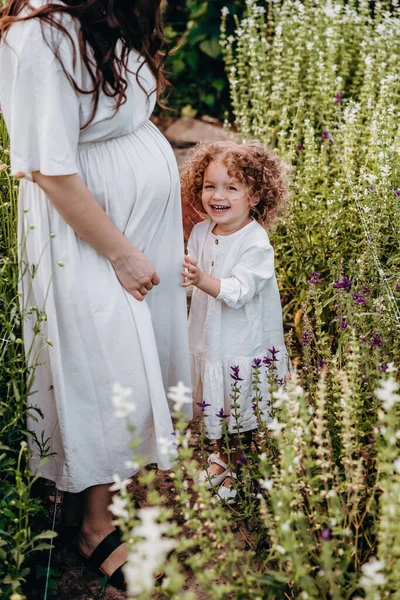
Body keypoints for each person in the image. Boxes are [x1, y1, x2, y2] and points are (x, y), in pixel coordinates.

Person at [0, 0, 191, 589]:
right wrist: (121, 252)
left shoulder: (111, 12)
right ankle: (93, 526)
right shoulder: (38, 35)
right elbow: (50, 170)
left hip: (130, 221)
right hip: (86, 227)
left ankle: (100, 483)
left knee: (135, 356)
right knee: (105, 362)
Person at [180, 140, 290, 505]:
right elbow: (191, 269)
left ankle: (234, 463)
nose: (218, 196)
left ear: (255, 194)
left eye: (232, 187)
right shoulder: (200, 231)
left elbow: (238, 291)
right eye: (210, 185)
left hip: (241, 342)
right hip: (210, 337)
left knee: (239, 407)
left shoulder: (255, 242)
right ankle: (222, 456)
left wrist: (198, 279)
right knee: (217, 404)